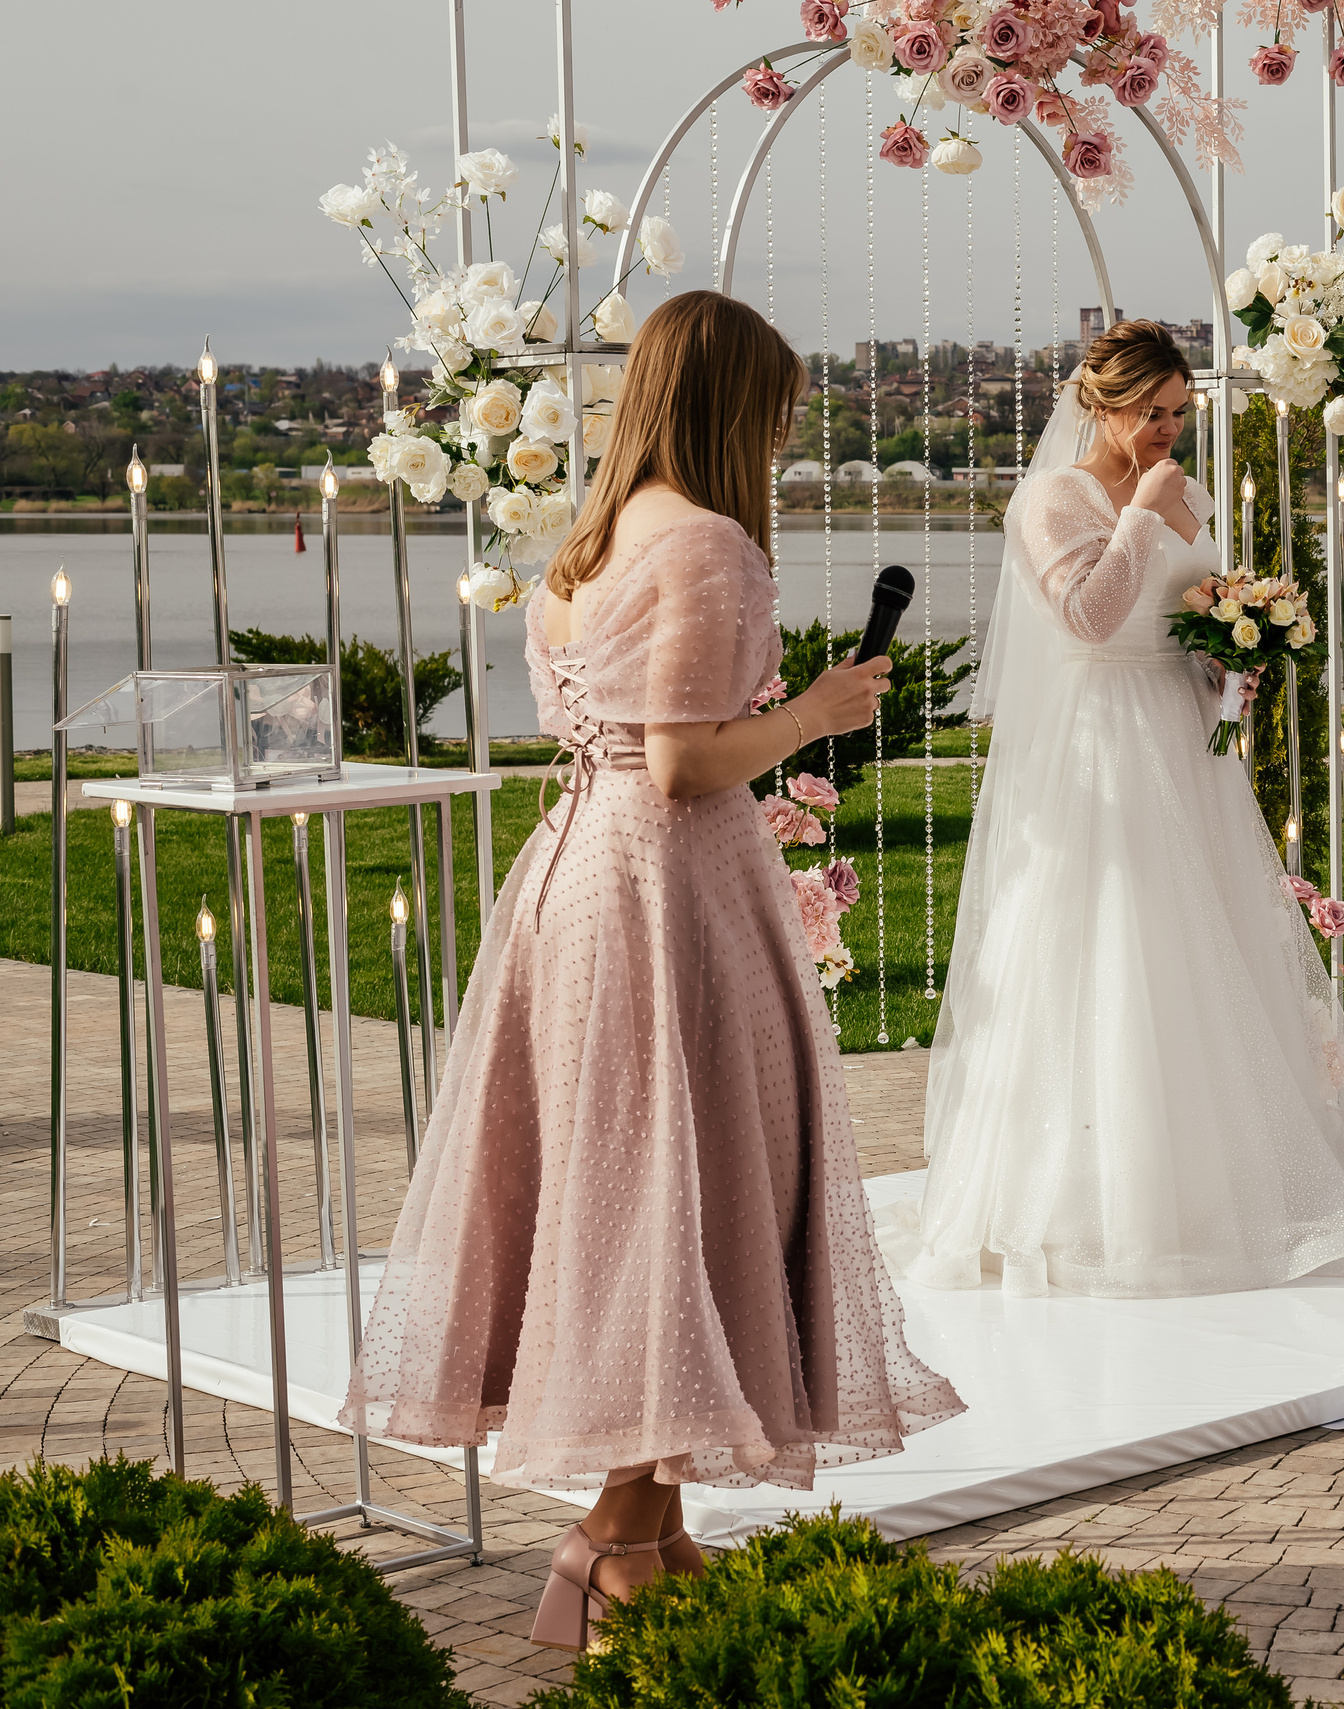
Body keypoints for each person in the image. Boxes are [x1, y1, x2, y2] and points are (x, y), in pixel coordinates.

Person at [337, 291, 965, 1651]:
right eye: (782, 414)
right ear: (733, 404)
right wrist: (815, 711)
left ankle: (659, 1541)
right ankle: (610, 1533)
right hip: (666, 883)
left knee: (626, 1179)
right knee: (682, 1182)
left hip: (576, 870)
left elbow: (628, 739)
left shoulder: (586, 547)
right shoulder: (716, 548)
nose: (788, 439)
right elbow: (683, 761)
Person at [892, 319, 1344, 1298]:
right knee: (1105, 944)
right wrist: (1143, 514)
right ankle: (1094, 1199)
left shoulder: (1187, 490)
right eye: (1149, 412)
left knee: (1197, 944)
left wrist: (1227, 672)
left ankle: (1211, 1182)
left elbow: (1186, 623)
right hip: (1098, 742)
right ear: (1099, 403)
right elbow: (1085, 614)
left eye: (1179, 412)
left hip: (1182, 740)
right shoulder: (1051, 499)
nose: (1167, 429)